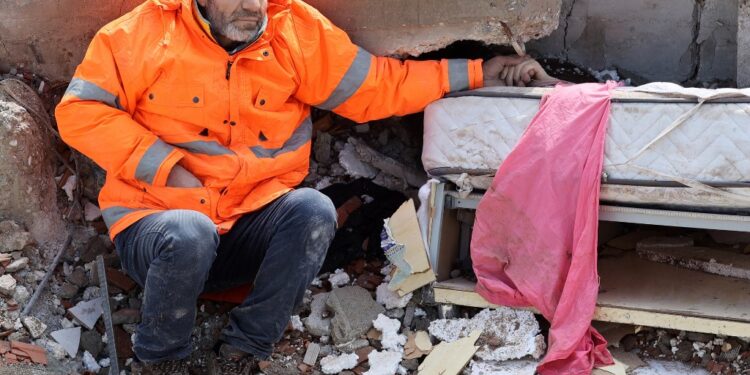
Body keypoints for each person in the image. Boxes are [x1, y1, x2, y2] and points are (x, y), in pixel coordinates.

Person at [55, 0, 554, 372]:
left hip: (247, 229)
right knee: (189, 232)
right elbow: (78, 113)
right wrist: (163, 165)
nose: (253, 4)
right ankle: (161, 360)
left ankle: (243, 351)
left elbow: (379, 87)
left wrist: (478, 72)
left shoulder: (294, 31)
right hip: (162, 235)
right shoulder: (139, 33)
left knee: (315, 210)